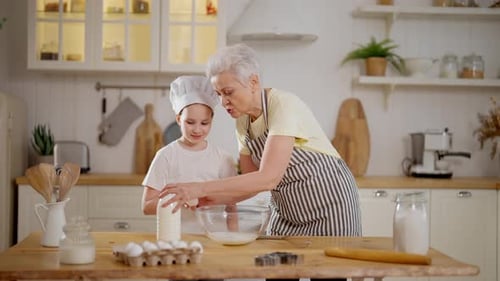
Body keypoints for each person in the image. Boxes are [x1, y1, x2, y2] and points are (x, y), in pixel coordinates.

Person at [160, 43, 362, 239]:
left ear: (253, 82)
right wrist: (202, 200)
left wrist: (201, 187)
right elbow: (251, 183)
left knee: (330, 271)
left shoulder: (282, 105)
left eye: (228, 92)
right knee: (276, 270)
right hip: (288, 213)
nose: (223, 102)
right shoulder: (242, 122)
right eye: (218, 94)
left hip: (330, 205)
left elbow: (268, 178)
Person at [141, 75, 237, 234]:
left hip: (216, 238)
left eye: (204, 123)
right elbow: (147, 206)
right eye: (190, 122)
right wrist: (179, 200)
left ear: (212, 121)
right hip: (177, 239)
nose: (197, 130)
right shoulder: (166, 155)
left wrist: (233, 238)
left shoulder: (223, 159)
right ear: (179, 119)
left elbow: (232, 205)